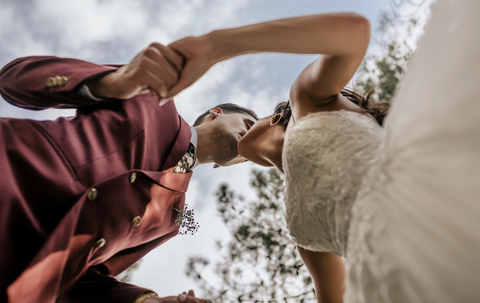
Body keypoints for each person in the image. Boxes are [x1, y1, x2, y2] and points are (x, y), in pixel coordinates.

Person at [164, 2, 480, 302]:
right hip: (408, 284)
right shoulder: (298, 224)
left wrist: (215, 47)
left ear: (275, 115)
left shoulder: (307, 100)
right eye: (238, 157)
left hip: (445, 209)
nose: (242, 139)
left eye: (249, 119)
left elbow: (354, 32)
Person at [0, 43, 257, 303]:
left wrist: (148, 302)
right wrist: (110, 84)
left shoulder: (171, 222)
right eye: (250, 124)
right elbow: (12, 79)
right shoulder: (152, 97)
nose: (252, 140)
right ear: (216, 113)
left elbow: (80, 282)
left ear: (223, 166)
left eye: (248, 159)